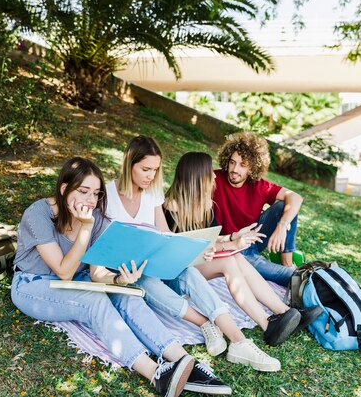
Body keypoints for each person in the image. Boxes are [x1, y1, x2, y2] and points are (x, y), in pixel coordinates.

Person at [11, 157, 213, 397]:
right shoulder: (39, 213)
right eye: (83, 191)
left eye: (95, 193)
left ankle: (182, 359)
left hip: (79, 279)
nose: (90, 200)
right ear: (64, 189)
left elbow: (97, 274)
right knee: (94, 302)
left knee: (127, 296)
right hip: (33, 283)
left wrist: (119, 281)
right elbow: (63, 271)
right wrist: (85, 228)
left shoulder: (96, 217)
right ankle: (157, 375)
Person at [106, 135, 282, 374]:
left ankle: (240, 342)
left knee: (188, 271)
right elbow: (103, 245)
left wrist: (201, 246)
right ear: (129, 164)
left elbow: (166, 235)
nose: (151, 176)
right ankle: (205, 323)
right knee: (145, 278)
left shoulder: (153, 194)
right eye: (146, 169)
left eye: (155, 170)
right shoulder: (107, 195)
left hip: (159, 263)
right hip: (129, 272)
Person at [163, 152, 323, 346]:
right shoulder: (171, 207)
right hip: (180, 271)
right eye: (209, 173)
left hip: (200, 260)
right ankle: (267, 325)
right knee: (231, 260)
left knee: (236, 257)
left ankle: (283, 312)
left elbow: (212, 239)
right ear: (196, 176)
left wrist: (234, 238)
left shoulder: (207, 204)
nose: (214, 176)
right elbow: (172, 249)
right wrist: (223, 245)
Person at [213, 132, 303, 287]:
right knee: (293, 277)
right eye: (232, 162)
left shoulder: (259, 185)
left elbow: (295, 197)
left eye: (242, 165)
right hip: (233, 247)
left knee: (285, 207)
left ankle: (286, 260)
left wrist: (281, 226)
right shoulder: (213, 179)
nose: (234, 169)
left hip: (255, 237)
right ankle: (288, 271)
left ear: (252, 168)